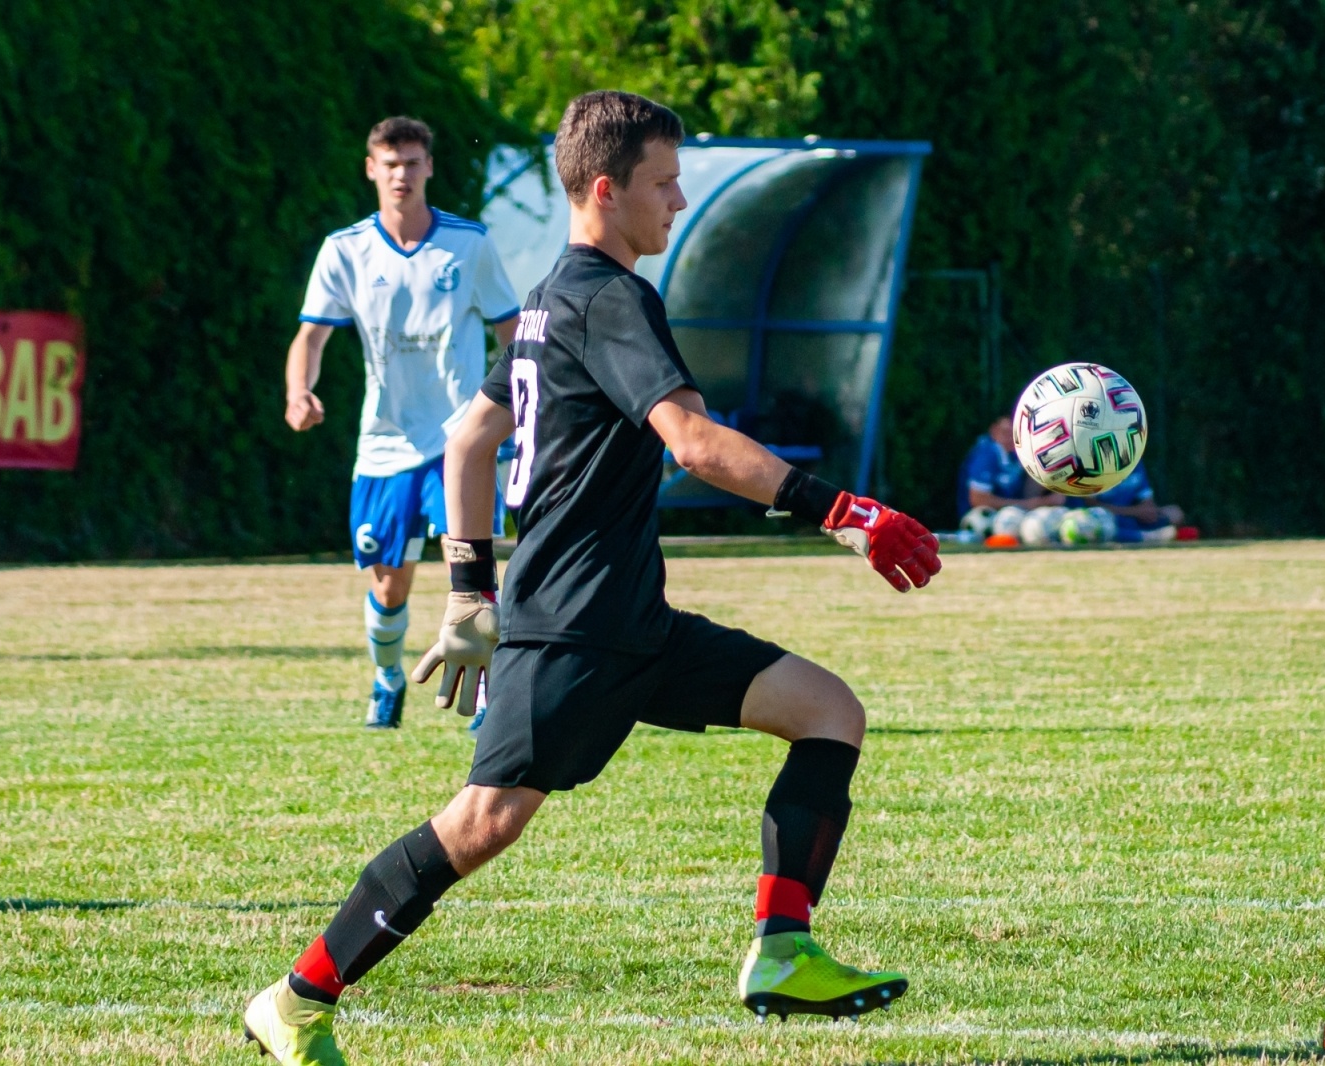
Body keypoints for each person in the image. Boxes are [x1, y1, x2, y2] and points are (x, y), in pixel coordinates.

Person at [244, 90, 943, 1066]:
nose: (682, 199)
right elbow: (692, 444)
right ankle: (296, 995)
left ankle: (782, 949)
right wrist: (844, 510)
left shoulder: (545, 301)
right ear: (607, 191)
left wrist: (472, 590)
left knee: (827, 709)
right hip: (573, 629)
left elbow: (467, 438)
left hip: (631, 624)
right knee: (481, 823)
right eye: (664, 183)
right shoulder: (610, 297)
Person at [285, 116, 522, 728]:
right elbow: (310, 336)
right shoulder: (346, 249)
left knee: (469, 575)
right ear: (371, 169)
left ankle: (488, 698)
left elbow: (511, 331)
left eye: (413, 162)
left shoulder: (468, 244)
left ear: (430, 168)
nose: (402, 175)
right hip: (385, 443)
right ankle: (388, 677)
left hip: (460, 441)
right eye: (390, 164)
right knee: (389, 587)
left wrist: (525, 403)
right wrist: (298, 392)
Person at [957, 413, 1062, 516]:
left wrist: (1052, 483)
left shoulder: (1016, 453)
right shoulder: (986, 455)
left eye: (1015, 434)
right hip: (982, 516)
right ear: (994, 430)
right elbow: (979, 500)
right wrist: (1031, 504)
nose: (1010, 439)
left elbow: (1029, 492)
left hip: (1011, 512)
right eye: (1005, 433)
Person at [1065, 459, 1184, 541]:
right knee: (1095, 524)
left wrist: (1148, 512)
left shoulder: (1135, 463)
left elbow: (1147, 500)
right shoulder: (1089, 464)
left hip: (1130, 518)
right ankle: (1144, 536)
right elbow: (1091, 506)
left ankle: (1146, 533)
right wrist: (1134, 512)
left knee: (1174, 512)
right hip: (1103, 517)